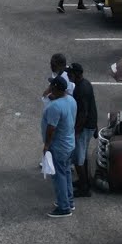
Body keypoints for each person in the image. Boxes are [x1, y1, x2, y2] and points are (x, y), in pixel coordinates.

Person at [41, 76, 77, 218]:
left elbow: (51, 128)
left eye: (51, 86)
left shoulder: (55, 106)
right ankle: (69, 201)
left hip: (59, 146)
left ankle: (64, 207)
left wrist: (46, 145)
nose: (50, 88)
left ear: (55, 88)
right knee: (66, 173)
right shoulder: (71, 100)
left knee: (59, 177)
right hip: (69, 144)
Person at [66, 63, 97, 197]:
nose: (68, 75)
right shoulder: (85, 84)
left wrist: (76, 131)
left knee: (78, 158)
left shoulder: (81, 89)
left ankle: (85, 188)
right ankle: (84, 181)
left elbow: (84, 112)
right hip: (89, 125)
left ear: (76, 74)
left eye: (70, 73)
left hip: (84, 128)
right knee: (82, 156)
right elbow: (91, 107)